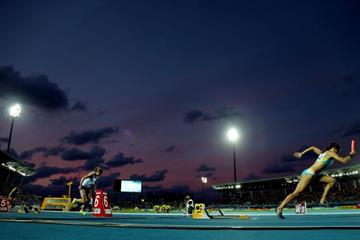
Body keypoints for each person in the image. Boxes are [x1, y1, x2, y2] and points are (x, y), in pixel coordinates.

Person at [276, 143, 356, 219]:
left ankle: (322, 201)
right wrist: (351, 155)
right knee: (296, 193)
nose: (337, 153)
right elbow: (344, 160)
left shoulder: (323, 153)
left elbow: (313, 147)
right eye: (337, 151)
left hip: (315, 175)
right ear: (334, 149)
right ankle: (279, 208)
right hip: (309, 173)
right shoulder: (331, 153)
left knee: (332, 181)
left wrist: (302, 153)